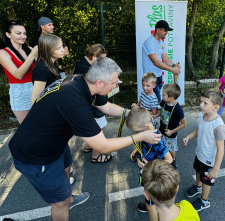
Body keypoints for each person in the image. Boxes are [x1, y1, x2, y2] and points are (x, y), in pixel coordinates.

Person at [8, 57, 161, 221]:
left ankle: (70, 199)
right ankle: (65, 201)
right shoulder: (75, 102)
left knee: (67, 167)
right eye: (115, 82)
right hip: (36, 154)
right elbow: (102, 146)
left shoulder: (83, 81)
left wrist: (133, 114)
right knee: (60, 202)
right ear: (100, 82)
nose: (117, 84)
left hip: (56, 143)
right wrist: (140, 136)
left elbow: (106, 107)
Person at [125, 107, 173, 220]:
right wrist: (137, 150)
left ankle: (152, 208)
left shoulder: (156, 140)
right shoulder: (145, 133)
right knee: (148, 195)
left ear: (146, 127)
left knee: (150, 204)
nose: (134, 134)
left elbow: (169, 159)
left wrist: (149, 166)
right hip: (146, 172)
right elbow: (142, 142)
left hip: (153, 177)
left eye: (136, 132)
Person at [182, 89, 225, 212]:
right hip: (200, 153)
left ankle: (204, 200)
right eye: (202, 101)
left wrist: (215, 169)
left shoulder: (218, 126)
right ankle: (198, 187)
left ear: (215, 107)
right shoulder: (202, 115)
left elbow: (221, 150)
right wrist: (188, 137)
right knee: (198, 171)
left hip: (210, 160)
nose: (201, 105)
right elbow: (199, 129)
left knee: (206, 180)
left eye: (205, 103)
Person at [74, 44, 111, 163]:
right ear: (94, 57)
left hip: (84, 100)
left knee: (92, 124)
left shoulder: (83, 61)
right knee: (100, 127)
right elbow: (96, 89)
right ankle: (96, 156)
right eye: (101, 59)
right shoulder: (86, 69)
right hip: (90, 102)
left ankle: (89, 146)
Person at [0, 20, 38, 124]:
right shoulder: (2, 53)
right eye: (18, 33)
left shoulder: (29, 49)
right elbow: (18, 75)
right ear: (8, 34)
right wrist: (32, 56)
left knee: (43, 124)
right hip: (20, 93)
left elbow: (42, 69)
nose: (23, 36)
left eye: (24, 33)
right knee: (28, 128)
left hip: (37, 88)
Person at [142, 20, 181, 102]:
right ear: (158, 30)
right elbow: (155, 61)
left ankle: (154, 114)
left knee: (156, 101)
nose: (166, 32)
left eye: (167, 31)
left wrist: (174, 66)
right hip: (150, 78)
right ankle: (153, 114)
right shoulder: (149, 43)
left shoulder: (162, 43)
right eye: (165, 30)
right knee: (157, 101)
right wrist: (171, 69)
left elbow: (165, 58)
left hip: (159, 76)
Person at [158, 83, 187, 169]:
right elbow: (162, 111)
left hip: (171, 134)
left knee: (171, 149)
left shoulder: (178, 109)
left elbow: (184, 124)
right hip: (162, 130)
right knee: (163, 145)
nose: (162, 95)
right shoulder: (164, 102)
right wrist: (156, 116)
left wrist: (172, 131)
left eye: (164, 94)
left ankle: (173, 159)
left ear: (171, 98)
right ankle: (165, 157)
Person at [31, 34, 65, 104]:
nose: (62, 50)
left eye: (62, 46)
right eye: (58, 48)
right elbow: (35, 100)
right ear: (48, 50)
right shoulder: (42, 69)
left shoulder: (53, 64)